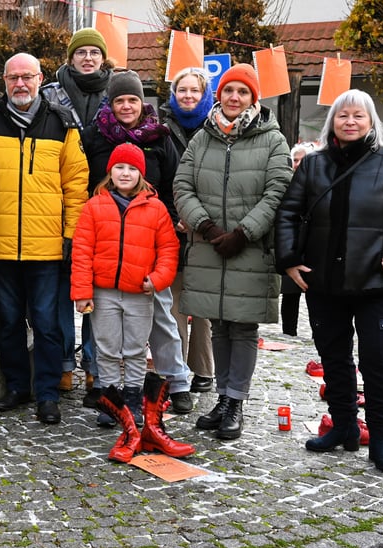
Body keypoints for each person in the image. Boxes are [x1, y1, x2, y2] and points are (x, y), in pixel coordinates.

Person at [275, 89, 383, 472]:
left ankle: (379, 436)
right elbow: (288, 214)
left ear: (370, 122)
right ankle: (344, 425)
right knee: (334, 358)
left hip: (376, 282)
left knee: (378, 360)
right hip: (324, 282)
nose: (350, 122)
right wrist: (291, 261)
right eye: (343, 115)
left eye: (358, 116)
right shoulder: (314, 165)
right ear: (333, 122)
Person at [173, 63, 292, 440]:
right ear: (219, 95)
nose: (234, 98)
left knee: (243, 327)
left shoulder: (272, 139)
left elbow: (278, 191)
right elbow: (182, 185)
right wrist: (206, 228)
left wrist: (243, 234)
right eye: (228, 91)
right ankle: (222, 398)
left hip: (250, 249)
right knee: (218, 325)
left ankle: (236, 400)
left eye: (242, 92)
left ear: (252, 98)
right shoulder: (203, 137)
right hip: (209, 246)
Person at [0, 53, 88, 424]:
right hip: (1, 243)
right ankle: (16, 387)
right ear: (4, 81)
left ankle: (47, 393)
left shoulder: (61, 122)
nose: (20, 84)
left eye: (27, 77)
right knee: (8, 322)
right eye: (13, 78)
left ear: (40, 79)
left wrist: (70, 234)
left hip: (46, 246)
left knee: (46, 323)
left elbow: (76, 185)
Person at [81, 70, 192, 424]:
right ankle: (109, 391)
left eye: (132, 99)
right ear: (110, 104)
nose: (126, 106)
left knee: (161, 318)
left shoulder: (159, 136)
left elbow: (176, 181)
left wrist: (171, 224)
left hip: (150, 239)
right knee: (107, 331)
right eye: (119, 100)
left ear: (140, 102)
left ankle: (175, 381)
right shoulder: (95, 136)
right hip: (109, 242)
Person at [71, 143, 193, 461]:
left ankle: (134, 398)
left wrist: (158, 278)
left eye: (131, 168)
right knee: (108, 349)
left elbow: (168, 248)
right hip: (103, 291)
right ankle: (112, 403)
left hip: (140, 292)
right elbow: (82, 251)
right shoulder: (94, 206)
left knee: (136, 350)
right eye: (119, 167)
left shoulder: (155, 209)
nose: (125, 173)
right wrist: (82, 291)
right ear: (110, 172)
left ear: (141, 174)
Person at [40, 27, 115, 394]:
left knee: (95, 291)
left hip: (105, 205)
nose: (88, 58)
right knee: (60, 290)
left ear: (103, 58)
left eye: (94, 52)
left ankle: (93, 364)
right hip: (56, 204)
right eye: (81, 52)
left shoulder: (117, 92)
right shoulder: (49, 94)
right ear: (71, 58)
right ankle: (63, 364)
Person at [160, 67, 216, 395]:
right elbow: (158, 177)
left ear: (205, 94)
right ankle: (175, 369)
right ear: (174, 93)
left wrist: (200, 218)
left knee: (204, 305)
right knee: (175, 301)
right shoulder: (162, 127)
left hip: (207, 226)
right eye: (183, 90)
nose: (188, 96)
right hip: (170, 224)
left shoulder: (215, 128)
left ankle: (204, 369)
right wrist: (174, 216)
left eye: (195, 90)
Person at [280, 141, 317, 337]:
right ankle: (288, 331)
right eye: (295, 160)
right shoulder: (286, 182)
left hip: (312, 244)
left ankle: (316, 332)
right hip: (292, 243)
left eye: (302, 160)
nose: (297, 164)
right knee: (289, 293)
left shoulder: (320, 183)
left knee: (313, 292)